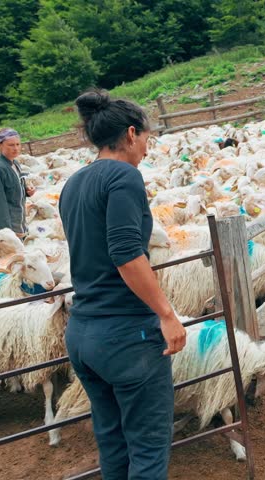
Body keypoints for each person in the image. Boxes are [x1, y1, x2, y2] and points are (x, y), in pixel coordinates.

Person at [58, 89, 187, 480]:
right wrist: (167, 314)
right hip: (126, 335)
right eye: (147, 140)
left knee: (113, 441)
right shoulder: (124, 177)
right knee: (148, 448)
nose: (147, 150)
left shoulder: (73, 184)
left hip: (82, 334)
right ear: (131, 135)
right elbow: (127, 253)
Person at [0, 127, 34, 237]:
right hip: (8, 228)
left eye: (18, 144)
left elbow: (13, 189)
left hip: (20, 223)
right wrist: (6, 233)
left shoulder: (15, 164)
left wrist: (26, 191)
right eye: (11, 145)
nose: (15, 148)